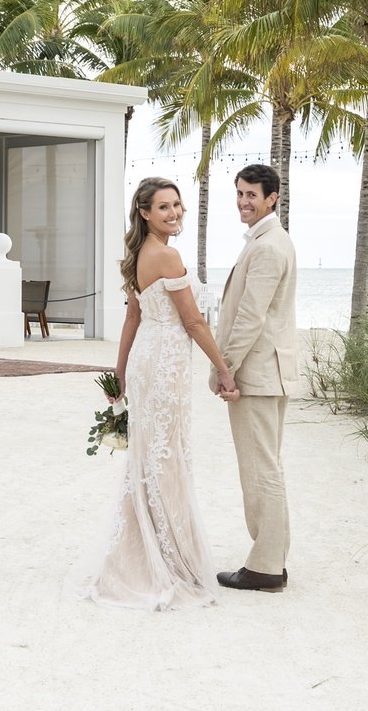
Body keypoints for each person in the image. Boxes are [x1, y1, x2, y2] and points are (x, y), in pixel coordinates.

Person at [82, 177, 238, 611]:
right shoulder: (167, 256)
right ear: (145, 212)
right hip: (166, 360)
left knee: (152, 455)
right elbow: (193, 321)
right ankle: (169, 561)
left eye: (177, 205)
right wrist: (223, 369)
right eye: (164, 207)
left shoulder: (138, 256)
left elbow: (132, 318)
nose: (174, 213)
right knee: (166, 455)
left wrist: (120, 372)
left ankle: (150, 550)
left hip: (147, 359)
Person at [210, 164, 298, 593]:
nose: (243, 202)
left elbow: (250, 316)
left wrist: (225, 368)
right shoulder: (268, 241)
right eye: (240, 193)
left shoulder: (268, 247)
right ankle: (272, 560)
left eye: (252, 195)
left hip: (258, 374)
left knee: (261, 470)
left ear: (272, 198)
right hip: (267, 371)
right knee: (267, 467)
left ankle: (265, 567)